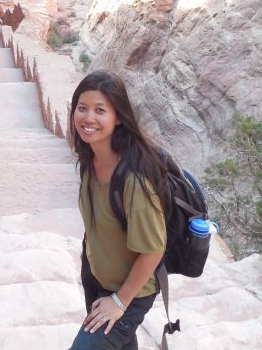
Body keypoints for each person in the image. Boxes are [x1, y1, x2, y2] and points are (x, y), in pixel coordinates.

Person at [69, 71, 169, 349]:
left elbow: (153, 250)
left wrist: (120, 300)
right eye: (82, 108)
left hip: (130, 292)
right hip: (97, 277)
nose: (88, 118)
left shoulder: (134, 179)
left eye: (100, 110)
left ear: (119, 117)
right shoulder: (91, 159)